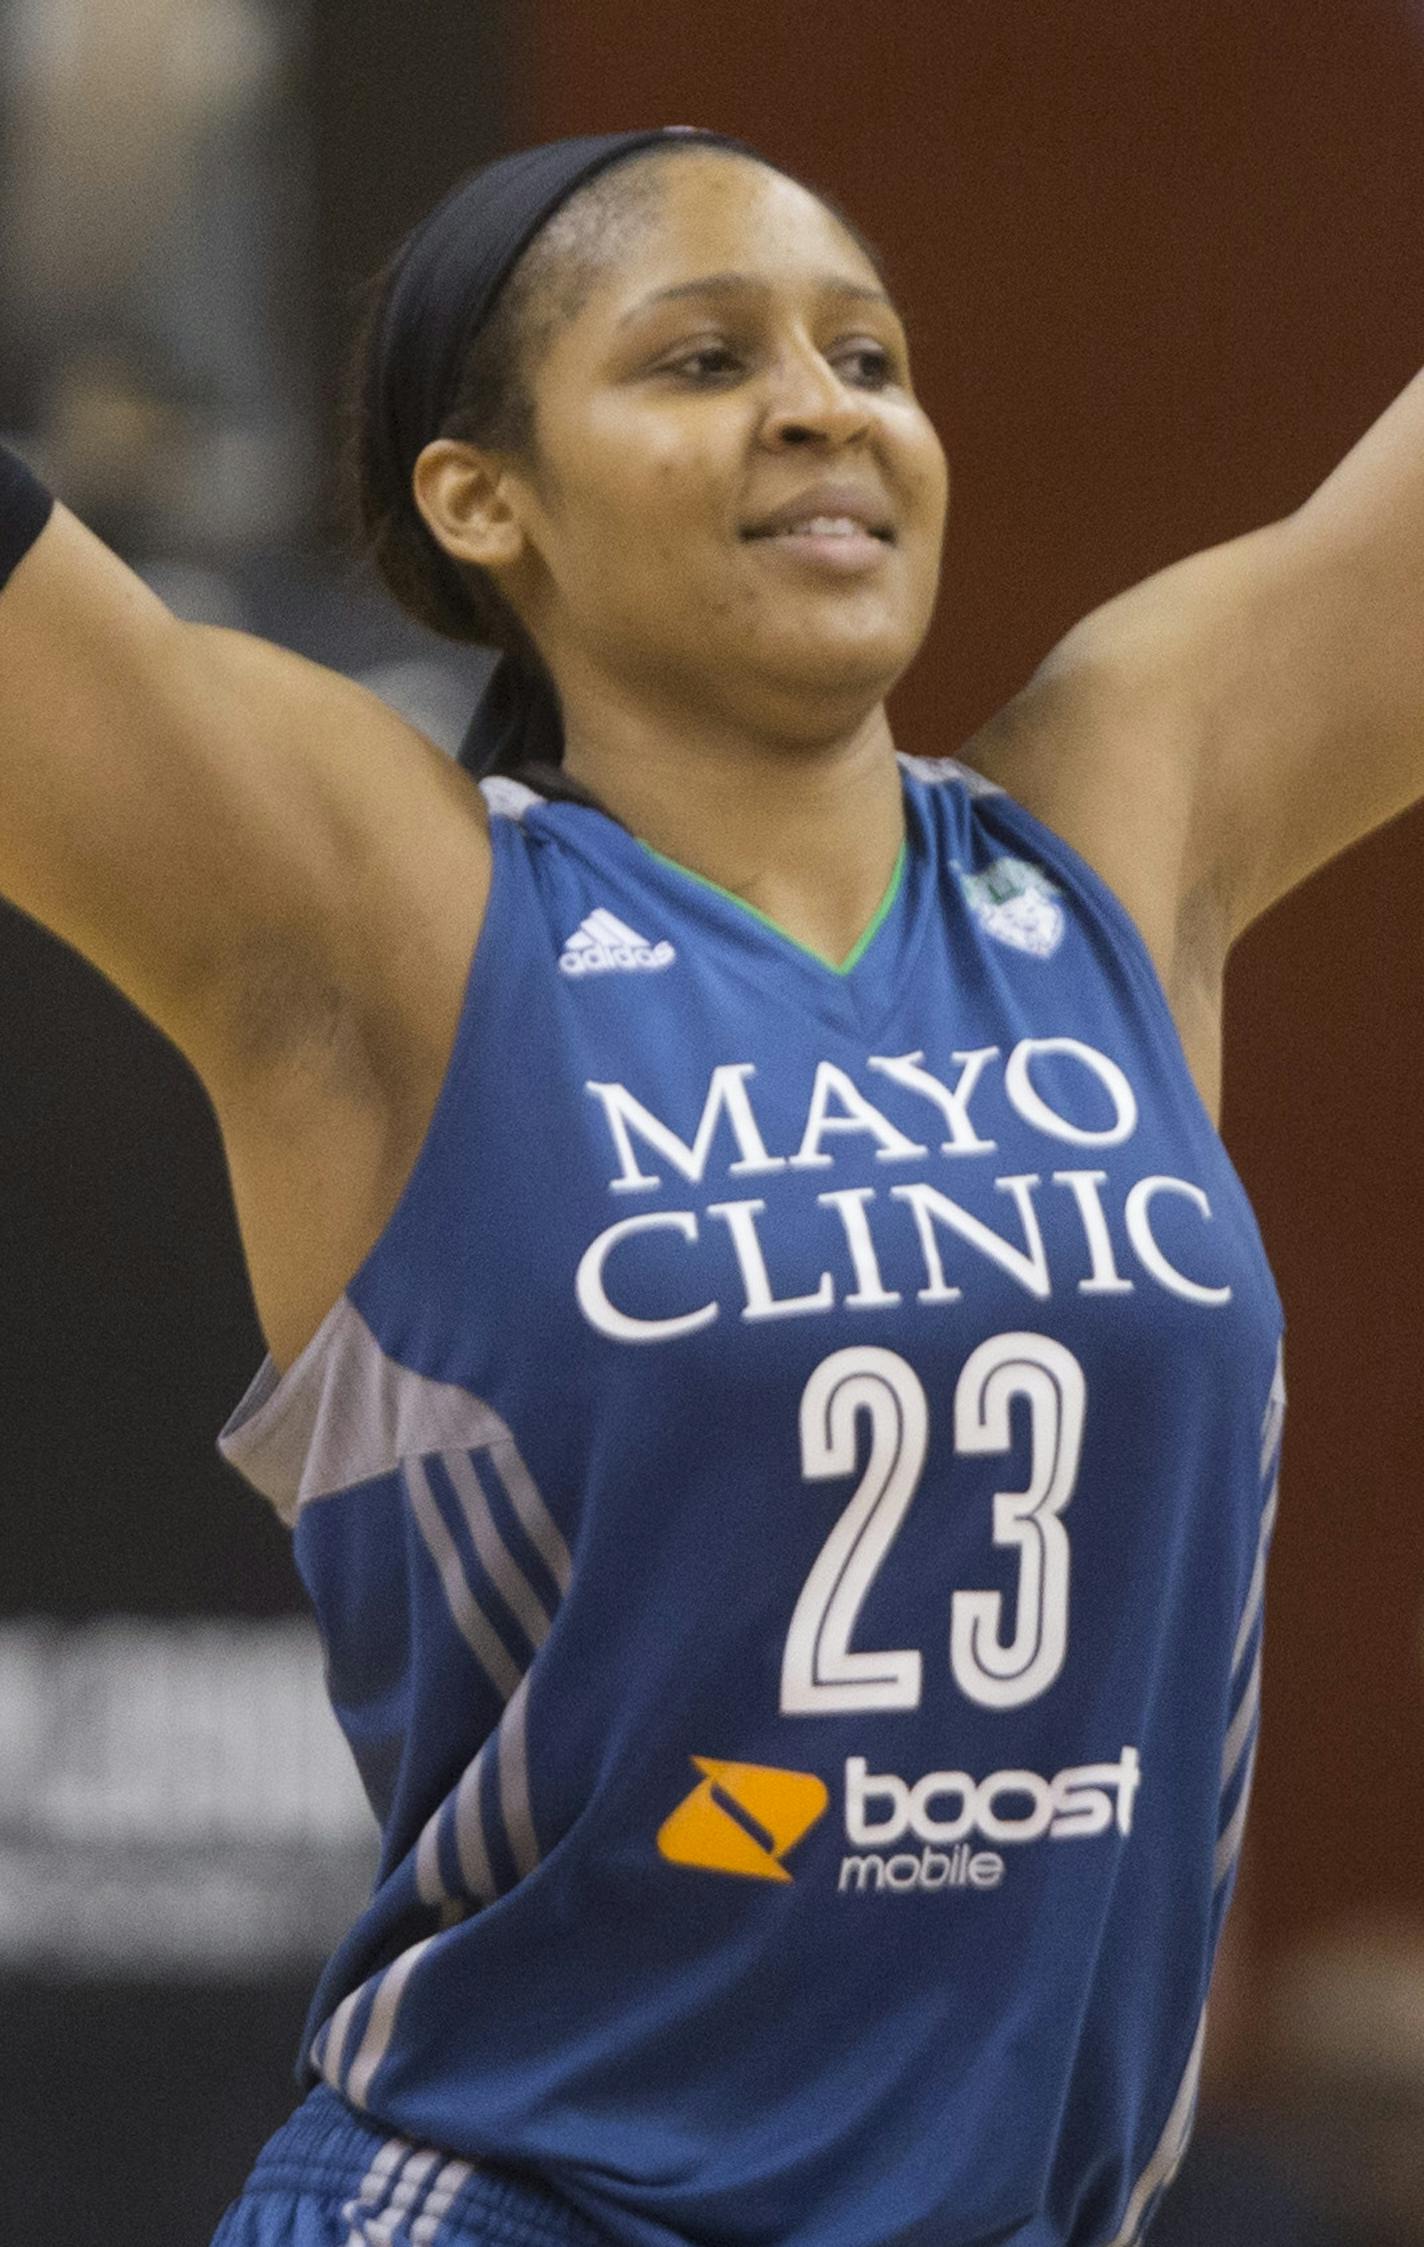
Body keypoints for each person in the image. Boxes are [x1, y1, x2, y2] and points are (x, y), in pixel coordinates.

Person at [0, 122, 1419, 2247]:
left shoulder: (1117, 823)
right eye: (697, 360)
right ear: (481, 499)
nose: (820, 402)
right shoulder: (396, 919)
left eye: (867, 351)